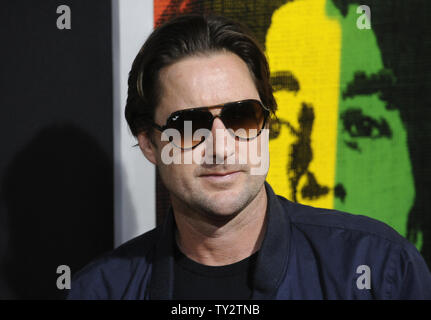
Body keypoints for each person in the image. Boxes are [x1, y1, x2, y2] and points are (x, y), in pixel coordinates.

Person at [68, 14, 431, 299]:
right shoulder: (102, 290)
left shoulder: (377, 267)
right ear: (149, 144)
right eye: (191, 124)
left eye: (241, 116)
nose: (222, 148)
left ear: (266, 124)